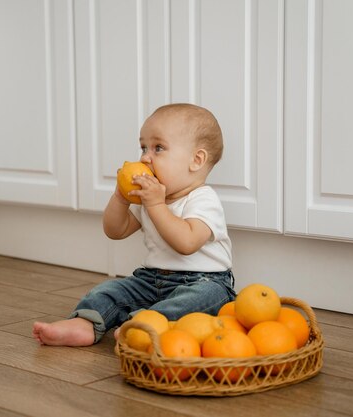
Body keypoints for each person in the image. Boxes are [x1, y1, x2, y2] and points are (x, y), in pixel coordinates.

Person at [33, 103, 234, 346]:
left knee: (197, 300)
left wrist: (156, 206)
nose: (145, 158)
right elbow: (115, 231)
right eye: (143, 147)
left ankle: (143, 326)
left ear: (196, 160)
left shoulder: (203, 199)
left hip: (204, 282)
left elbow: (187, 242)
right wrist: (120, 197)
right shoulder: (150, 198)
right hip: (150, 280)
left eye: (158, 148)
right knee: (111, 290)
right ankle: (85, 322)